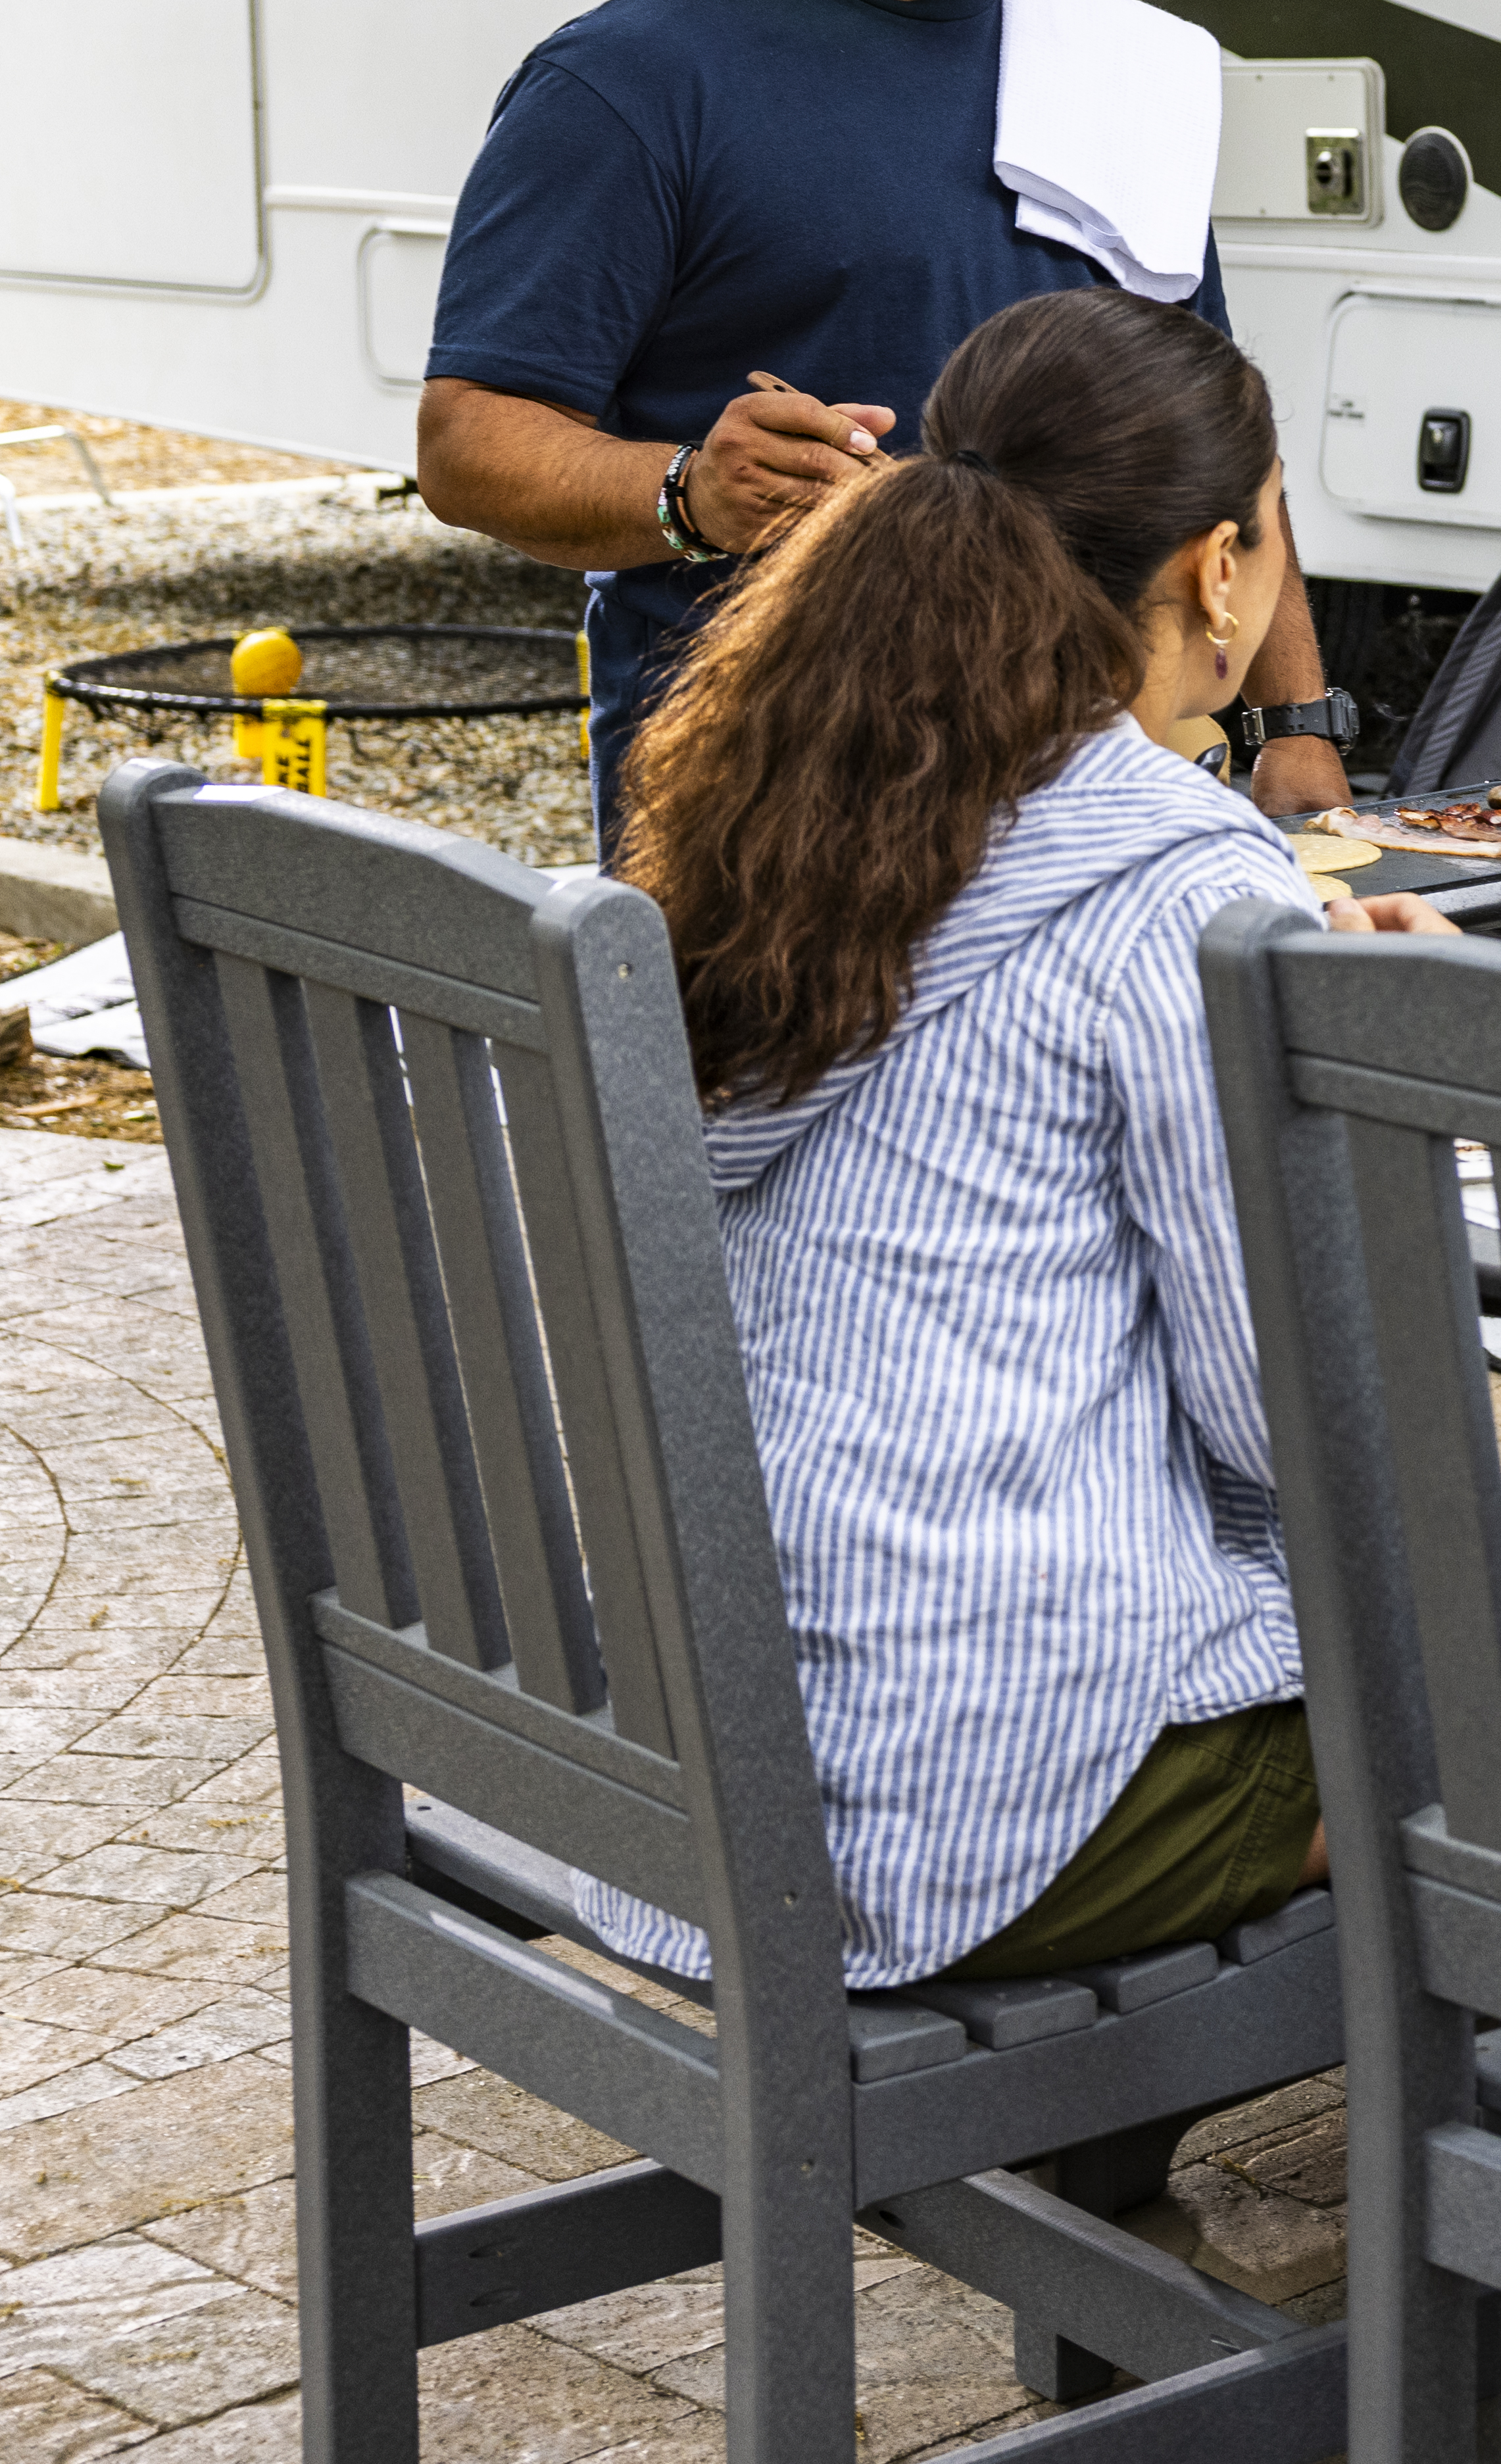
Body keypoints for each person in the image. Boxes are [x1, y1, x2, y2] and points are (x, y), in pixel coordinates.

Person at [572, 287, 1446, 1993]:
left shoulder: (812, 802)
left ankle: (1103, 2148)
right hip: (973, 1803)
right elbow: (1306, 1430)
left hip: (705, 1757)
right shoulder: (1186, 887)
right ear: (1216, 568)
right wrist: (1376, 1094)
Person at [414, 0, 1357, 844]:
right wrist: (685, 490)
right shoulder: (625, 84)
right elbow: (469, 441)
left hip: (1102, 822)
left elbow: (1222, 452)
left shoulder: (1119, 65)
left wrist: (1293, 727)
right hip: (777, 839)